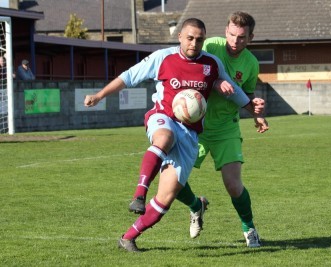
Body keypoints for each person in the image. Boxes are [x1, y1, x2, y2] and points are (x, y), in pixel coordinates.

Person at [84, 18, 268, 252]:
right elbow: (129, 76)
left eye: (199, 39)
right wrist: (99, 96)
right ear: (180, 36)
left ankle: (128, 238)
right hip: (163, 118)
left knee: (166, 197)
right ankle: (139, 194)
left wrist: (255, 109)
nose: (194, 43)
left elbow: (234, 91)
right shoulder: (164, 57)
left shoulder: (211, 63)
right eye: (189, 38)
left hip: (192, 134)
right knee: (164, 138)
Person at [174, 11, 268, 248]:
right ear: (226, 31)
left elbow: (246, 95)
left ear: (251, 37)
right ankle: (197, 205)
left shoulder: (251, 63)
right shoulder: (210, 46)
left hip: (226, 128)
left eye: (242, 37)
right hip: (195, 128)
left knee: (233, 185)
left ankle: (249, 228)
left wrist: (256, 114)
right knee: (173, 182)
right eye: (232, 35)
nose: (236, 41)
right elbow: (190, 66)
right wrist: (214, 82)